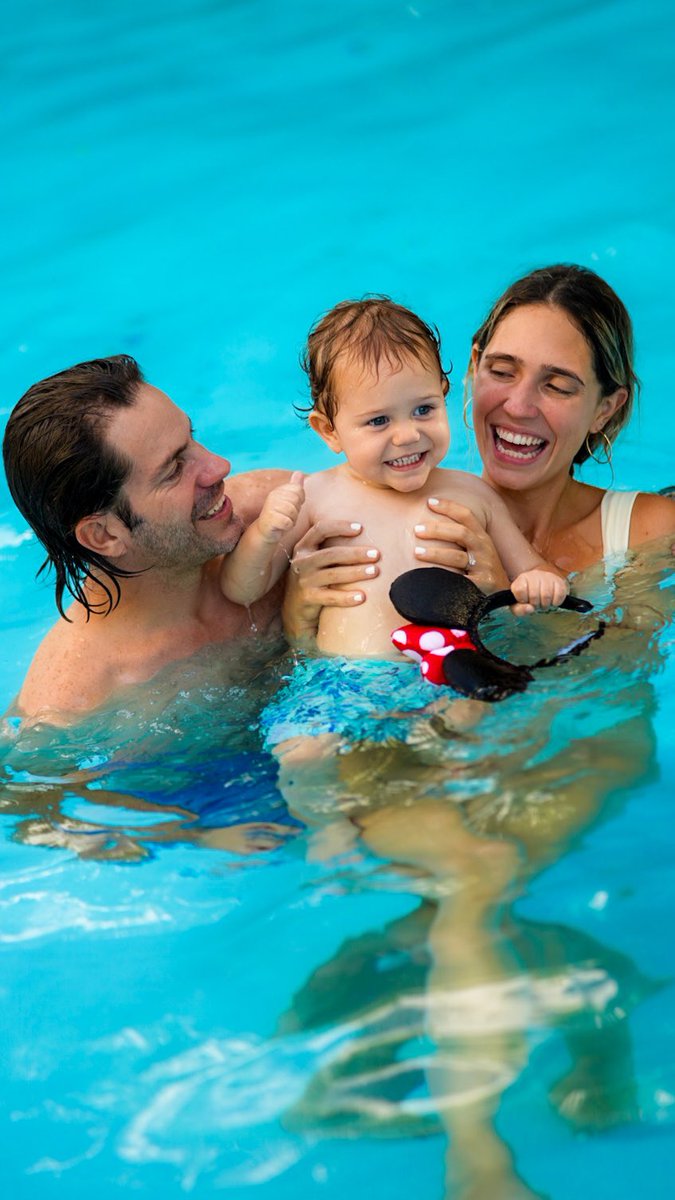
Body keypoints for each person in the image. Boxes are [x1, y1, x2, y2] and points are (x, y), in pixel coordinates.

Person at [1, 354, 375, 722]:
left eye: (191, 437)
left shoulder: (276, 513)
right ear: (103, 534)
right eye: (174, 469)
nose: (219, 466)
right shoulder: (74, 705)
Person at [221, 296, 569, 662]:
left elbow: (531, 567)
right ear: (329, 431)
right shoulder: (316, 496)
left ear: (443, 395)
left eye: (424, 409)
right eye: (378, 421)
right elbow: (240, 589)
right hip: (346, 682)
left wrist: (539, 582)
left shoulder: (473, 494)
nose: (407, 435)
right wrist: (266, 533)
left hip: (447, 674)